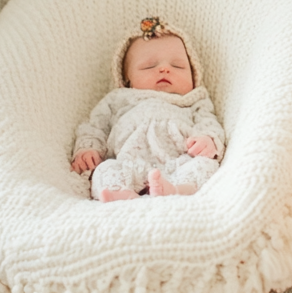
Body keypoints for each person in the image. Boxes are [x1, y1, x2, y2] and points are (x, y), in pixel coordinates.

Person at [70, 16, 225, 202]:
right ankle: (121, 193)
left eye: (178, 66)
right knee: (104, 170)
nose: (165, 69)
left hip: (179, 163)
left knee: (204, 166)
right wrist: (88, 149)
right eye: (149, 66)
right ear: (128, 81)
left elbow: (209, 122)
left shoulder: (194, 100)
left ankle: (176, 189)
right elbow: (95, 126)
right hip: (129, 164)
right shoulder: (119, 99)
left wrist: (208, 139)